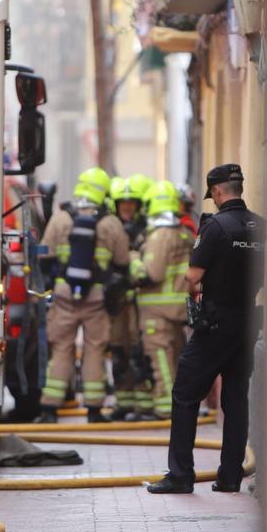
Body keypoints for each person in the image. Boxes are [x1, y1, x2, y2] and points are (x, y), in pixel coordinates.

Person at [148, 164, 265, 494]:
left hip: (215, 324)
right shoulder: (262, 226)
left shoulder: (215, 227)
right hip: (247, 323)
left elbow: (193, 277)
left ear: (217, 192)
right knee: (236, 397)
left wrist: (194, 292)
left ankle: (181, 475)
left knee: (185, 393)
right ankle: (230, 476)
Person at [36, 167, 130, 423]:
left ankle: (49, 409)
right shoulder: (110, 223)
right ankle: (94, 410)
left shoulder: (61, 218)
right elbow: (123, 261)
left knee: (62, 348)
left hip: (64, 294)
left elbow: (44, 254)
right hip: (97, 298)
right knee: (95, 350)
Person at [131, 181, 194, 420]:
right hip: (176, 307)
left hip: (156, 310)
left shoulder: (161, 236)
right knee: (175, 357)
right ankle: (178, 406)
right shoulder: (183, 233)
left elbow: (151, 273)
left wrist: (134, 259)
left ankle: (167, 408)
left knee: (160, 359)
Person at [107, 174, 153, 420]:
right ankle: (123, 403)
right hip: (118, 302)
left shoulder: (146, 229)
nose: (126, 207)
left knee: (138, 351)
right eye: (122, 203)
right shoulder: (110, 228)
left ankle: (142, 405)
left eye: (130, 203)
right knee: (118, 351)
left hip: (138, 301)